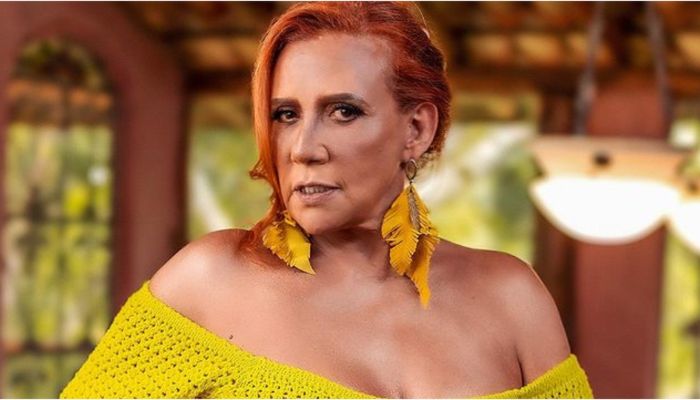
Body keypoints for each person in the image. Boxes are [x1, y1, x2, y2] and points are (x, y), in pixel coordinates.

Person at [60, 2, 593, 398]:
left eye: (343, 112)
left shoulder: (512, 298)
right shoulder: (209, 282)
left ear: (416, 129)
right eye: (285, 115)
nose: (303, 148)